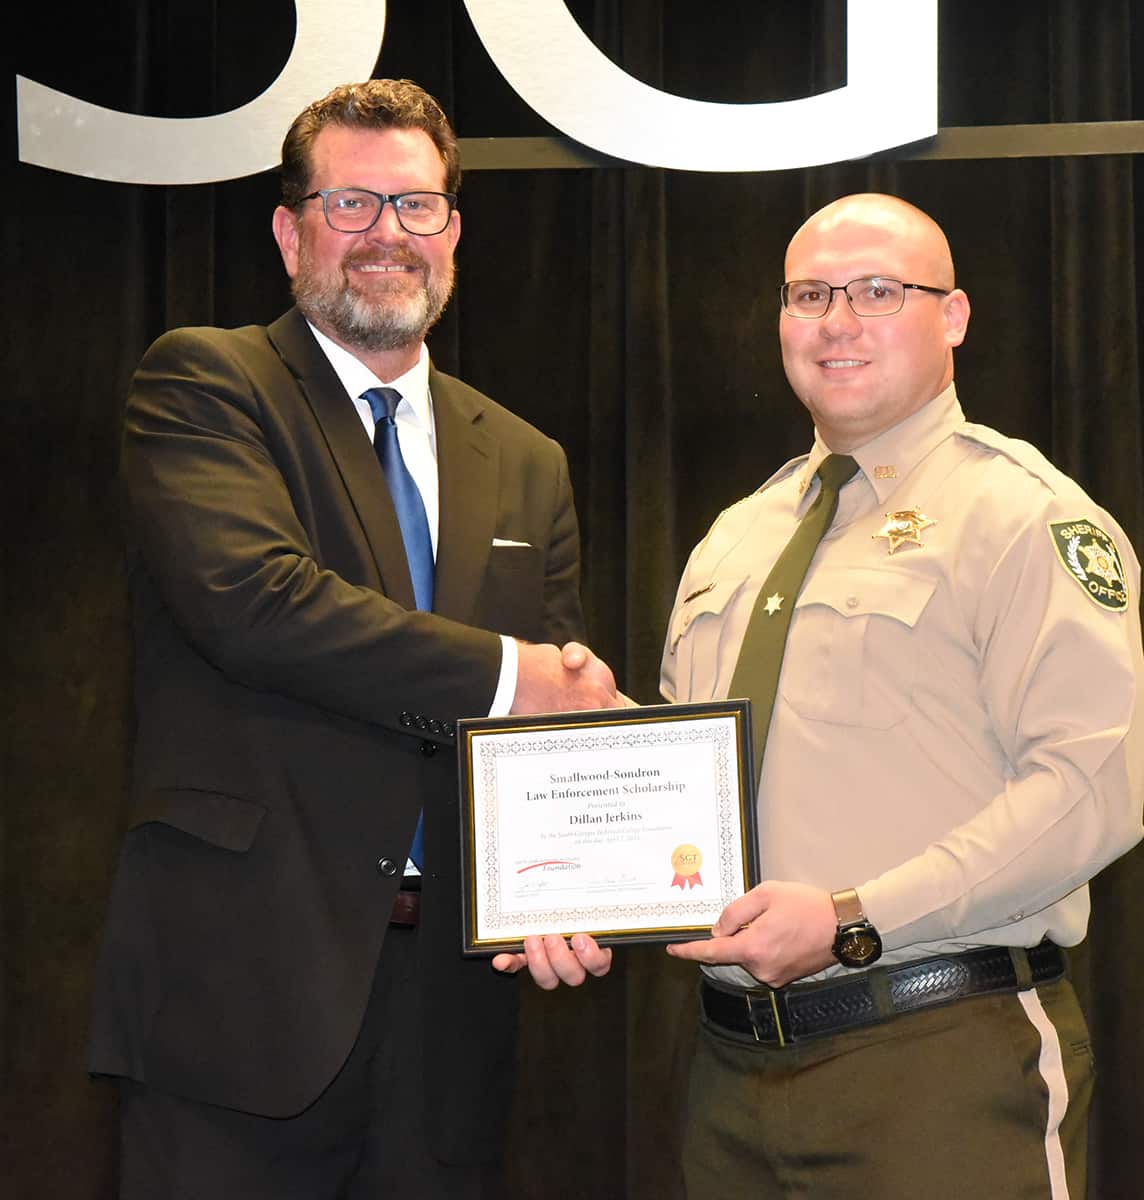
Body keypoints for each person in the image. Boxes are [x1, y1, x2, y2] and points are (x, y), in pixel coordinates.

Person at [87, 78, 616, 1198]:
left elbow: (547, 730)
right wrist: (515, 673)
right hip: (242, 989)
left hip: (450, 1012)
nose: (388, 236)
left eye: (416, 207)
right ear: (290, 234)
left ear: (454, 232)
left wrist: (569, 892)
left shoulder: (526, 457)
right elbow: (257, 605)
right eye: (351, 206)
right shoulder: (207, 383)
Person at [661, 193, 1144, 1198]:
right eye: (808, 294)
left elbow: (1091, 790)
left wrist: (852, 918)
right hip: (728, 1078)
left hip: (938, 1062)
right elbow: (677, 787)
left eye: (878, 291)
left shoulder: (1022, 516)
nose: (836, 320)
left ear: (953, 315)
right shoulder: (734, 535)